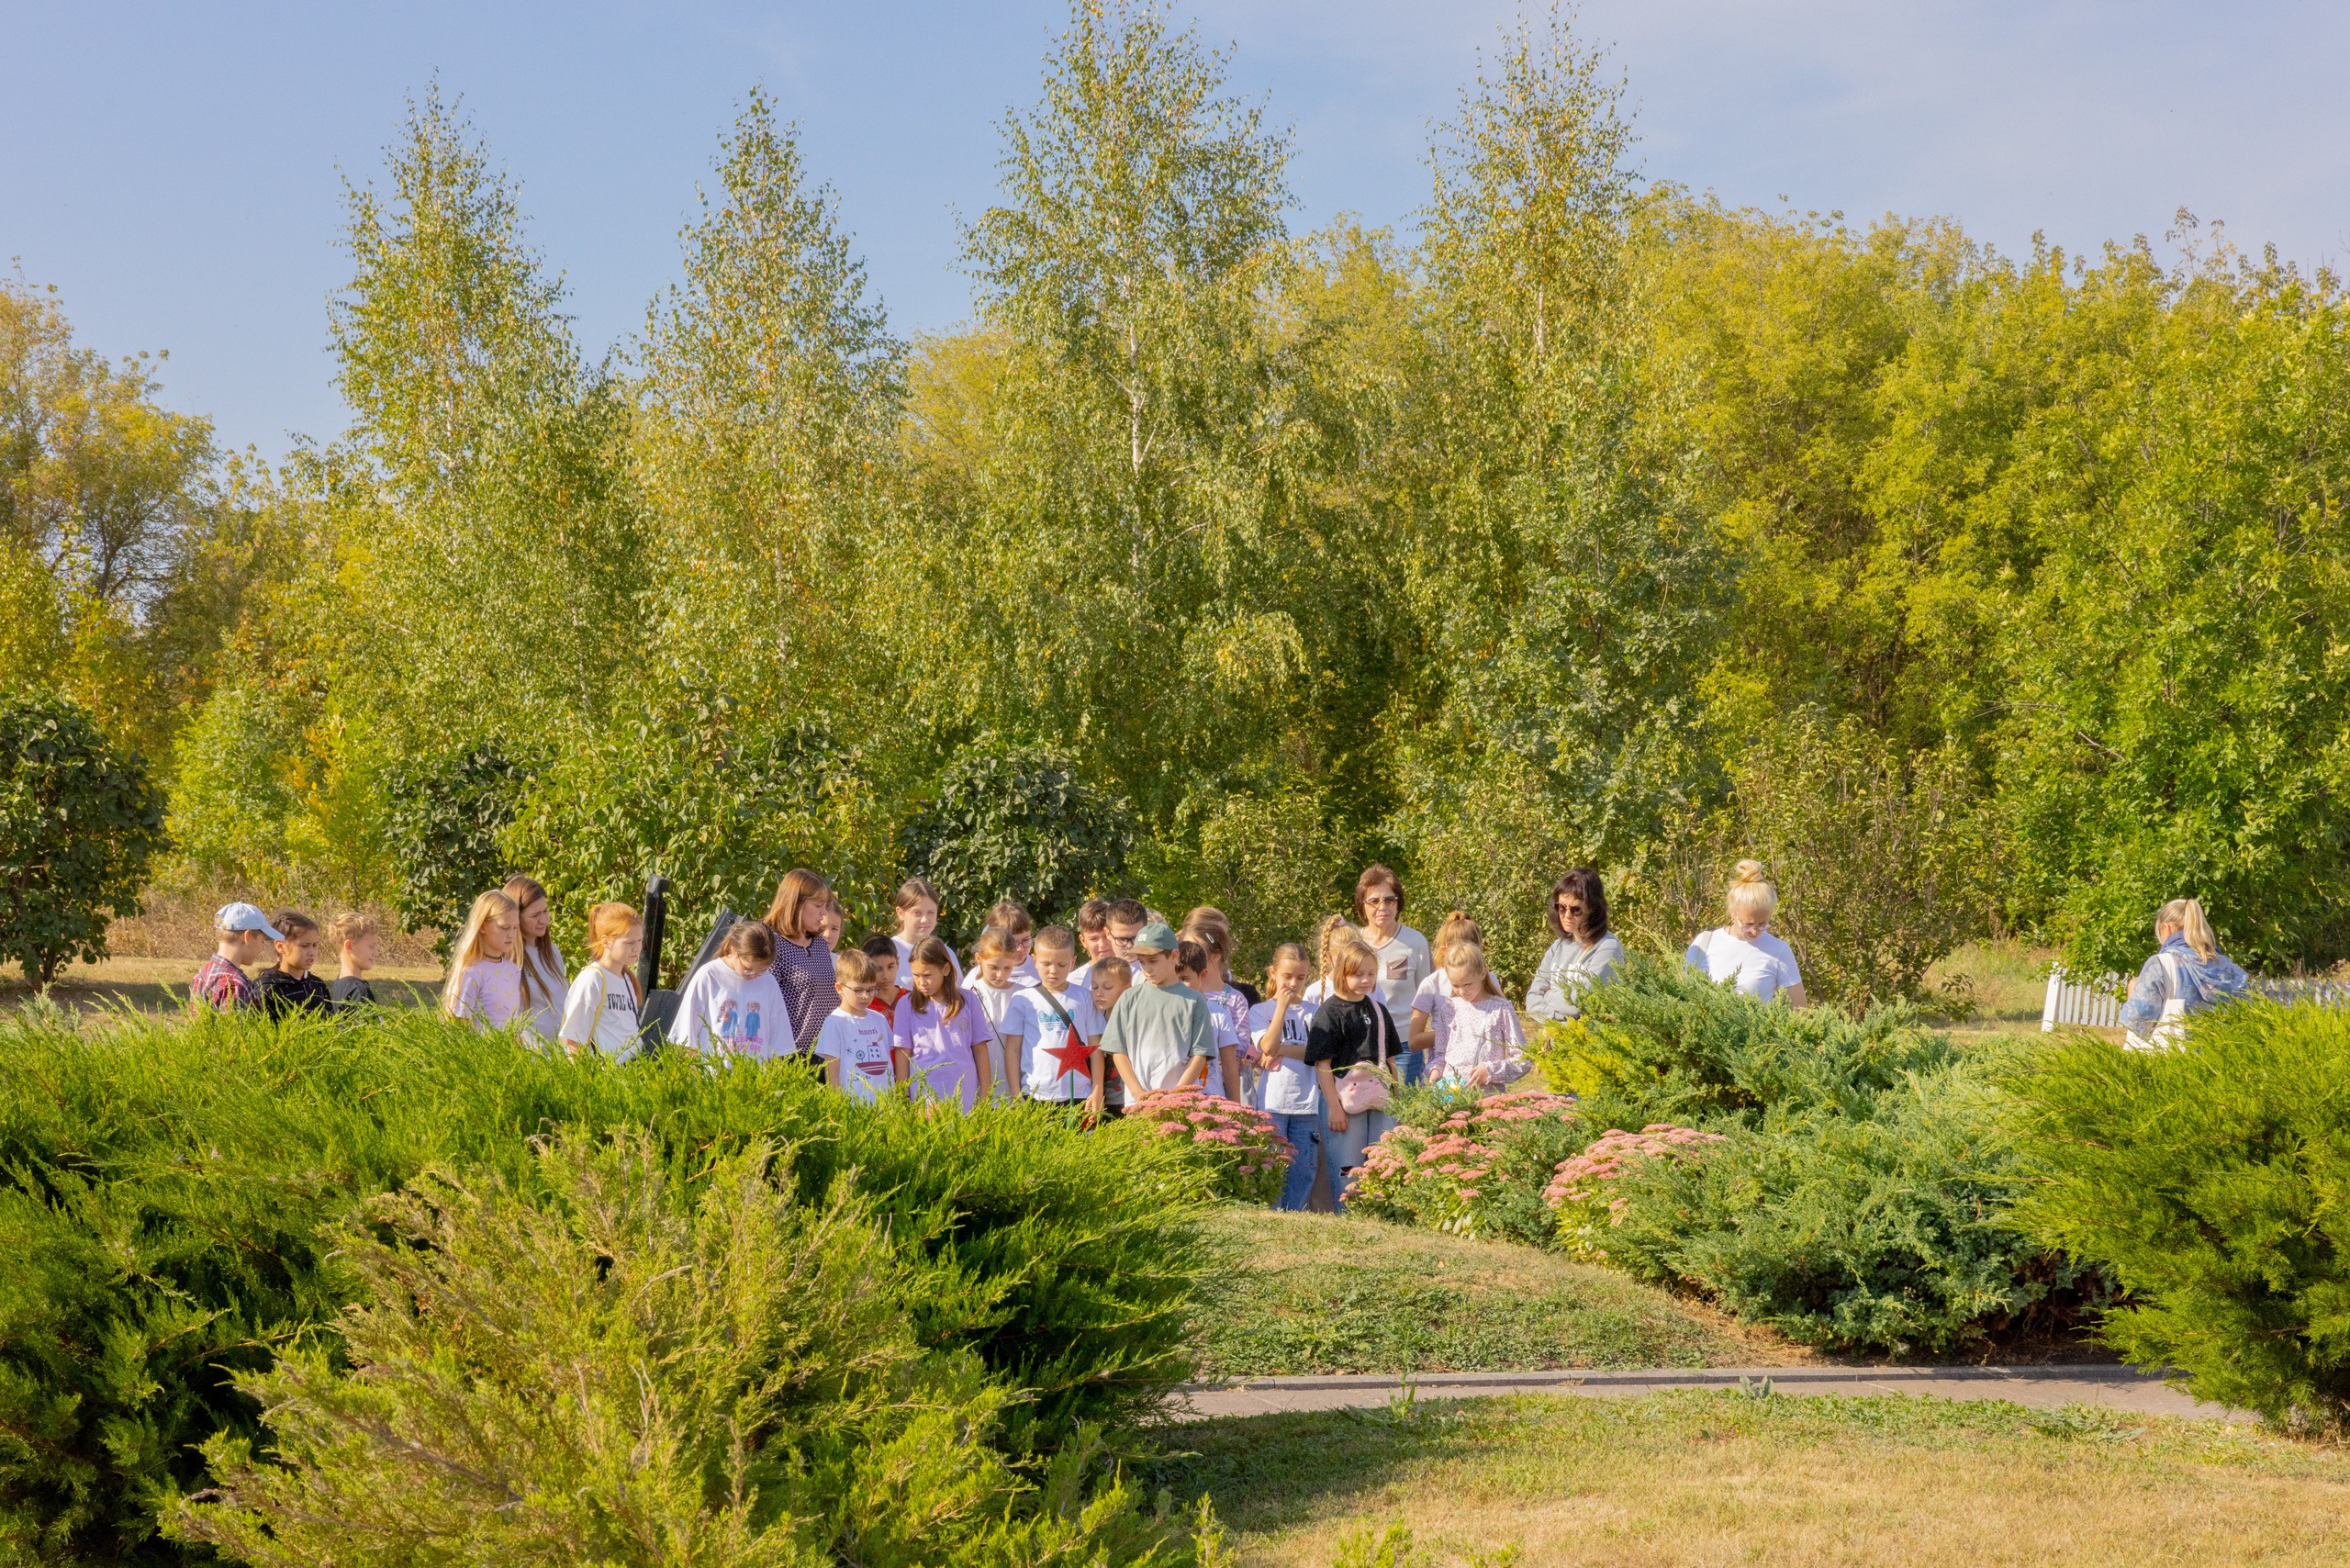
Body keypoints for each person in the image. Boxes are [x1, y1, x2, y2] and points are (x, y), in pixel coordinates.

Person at [1305, 931, 1401, 1212]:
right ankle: (1349, 1217)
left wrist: (1397, 1099)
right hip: (1344, 1105)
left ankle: (1377, 1217)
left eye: (1371, 974)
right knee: (1348, 1169)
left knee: (1381, 1164)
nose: (1366, 981)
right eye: (1358, 974)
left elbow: (1391, 1060)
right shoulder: (1329, 1012)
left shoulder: (1379, 1010)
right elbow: (1323, 1066)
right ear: (1342, 973)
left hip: (1381, 1101)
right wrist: (1334, 1108)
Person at [1101, 922, 1215, 1100]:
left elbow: (1200, 1054)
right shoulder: (1128, 998)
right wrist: (1138, 1093)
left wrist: (1177, 1095)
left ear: (1174, 956)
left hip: (1179, 1105)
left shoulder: (1194, 1000)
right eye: (1142, 962)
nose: (1146, 968)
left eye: (1153, 961)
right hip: (1137, 1104)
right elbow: (1118, 1051)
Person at [2119, 896, 2249, 1050]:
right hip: (2221, 1062)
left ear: (2166, 928)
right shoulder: (2231, 969)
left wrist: (2132, 991)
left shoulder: (2160, 965)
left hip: (2176, 1065)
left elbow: (2139, 1023)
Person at [1251, 942, 1322, 1212]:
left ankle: (1294, 1216)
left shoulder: (1315, 1013)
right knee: (1273, 1165)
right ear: (1273, 973)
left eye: (1301, 978)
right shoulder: (1261, 1011)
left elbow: (1316, 1054)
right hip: (1272, 1104)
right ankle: (1273, 1217)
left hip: (1308, 1104)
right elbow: (1266, 1046)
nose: (1294, 983)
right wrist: (1281, 1007)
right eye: (1287, 976)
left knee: (1303, 1169)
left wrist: (1281, 1050)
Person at [1684, 861, 1807, 1007]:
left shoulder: (1779, 950)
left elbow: (1800, 1011)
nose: (1755, 931)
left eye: (1762, 924)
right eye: (1748, 924)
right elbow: (1683, 998)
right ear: (1732, 913)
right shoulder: (1704, 943)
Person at [1353, 867, 1432, 1084]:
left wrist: (1415, 1037)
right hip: (1358, 1046)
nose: (1382, 907)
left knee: (1404, 1112)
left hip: (1403, 1047)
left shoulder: (1415, 942)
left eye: (1390, 900)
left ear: (1398, 903)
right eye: (1374, 901)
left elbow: (1427, 998)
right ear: (1362, 904)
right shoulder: (1351, 943)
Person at [894, 935, 993, 1108]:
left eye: (927, 975)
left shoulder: (969, 1000)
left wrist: (985, 1096)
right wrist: (903, 1097)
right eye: (916, 975)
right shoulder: (906, 1004)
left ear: (945, 969)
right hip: (924, 1095)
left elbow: (980, 1050)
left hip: (965, 1094)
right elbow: (903, 1053)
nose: (921, 982)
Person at [670, 920, 791, 1059]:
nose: (754, 976)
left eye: (762, 971)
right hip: (712, 1075)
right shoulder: (709, 975)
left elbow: (778, 1043)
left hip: (756, 1077)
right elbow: (686, 1035)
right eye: (748, 969)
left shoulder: (768, 982)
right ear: (734, 950)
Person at [1022, 925, 1106, 1118]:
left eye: (1061, 965)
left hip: (1079, 1094)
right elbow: (1012, 1049)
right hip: (1035, 1095)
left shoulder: (1085, 997)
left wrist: (1097, 1089)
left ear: (1073, 962)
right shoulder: (1023, 999)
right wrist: (1015, 1093)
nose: (1053, 971)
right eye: (1046, 964)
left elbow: (1095, 1045)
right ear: (1034, 960)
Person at [1422, 941, 1530, 1092]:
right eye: (1455, 985)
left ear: (1483, 972)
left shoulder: (1500, 1009)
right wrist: (1435, 1070)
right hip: (1450, 1098)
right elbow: (1441, 1055)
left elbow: (1523, 1060)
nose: (1462, 991)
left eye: (1467, 984)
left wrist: (1490, 1071)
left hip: (1487, 1100)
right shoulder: (1449, 1007)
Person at [1526, 868, 1628, 1024]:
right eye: (1561, 907)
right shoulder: (1557, 946)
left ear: (1592, 909)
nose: (1567, 915)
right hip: (1555, 1042)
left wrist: (1548, 995)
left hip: (1590, 1043)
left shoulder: (1607, 947)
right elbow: (1532, 1001)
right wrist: (1563, 1018)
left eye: (1576, 909)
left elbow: (1581, 1002)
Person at [765, 868, 839, 1056]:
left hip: (828, 1052)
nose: (824, 913)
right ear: (796, 904)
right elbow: (765, 1004)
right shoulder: (771, 944)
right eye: (818, 906)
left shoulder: (820, 944)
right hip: (789, 1056)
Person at [1181, 913, 1255, 1099]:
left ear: (1215, 955)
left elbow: (1243, 1048)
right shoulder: (1177, 996)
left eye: (1197, 950)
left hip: (1222, 1087)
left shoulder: (1234, 999)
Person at [559, 902, 644, 1060]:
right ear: (606, 942)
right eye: (629, 942)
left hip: (632, 1072)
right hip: (606, 1073)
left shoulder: (626, 979)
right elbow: (574, 1039)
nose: (637, 948)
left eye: (639, 940)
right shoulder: (593, 978)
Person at [815, 948, 901, 1100]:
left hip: (884, 1107)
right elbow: (831, 1073)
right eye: (858, 990)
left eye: (871, 990)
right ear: (840, 988)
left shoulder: (880, 1020)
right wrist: (836, 1107)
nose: (866, 996)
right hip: (852, 1108)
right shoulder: (835, 1023)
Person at [965, 927, 1034, 1102]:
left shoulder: (1024, 995)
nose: (1000, 974)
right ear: (979, 959)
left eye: (1007, 968)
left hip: (1017, 1089)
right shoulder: (968, 994)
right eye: (993, 967)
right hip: (978, 1090)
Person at [442, 890, 525, 1027]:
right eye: (505, 927)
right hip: (480, 1048)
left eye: (515, 928)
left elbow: (512, 1022)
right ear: (482, 926)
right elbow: (461, 1026)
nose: (511, 935)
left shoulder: (513, 971)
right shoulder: (472, 973)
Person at [1174, 939, 1244, 1100]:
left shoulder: (1219, 1015)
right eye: (1175, 980)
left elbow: (1229, 1065)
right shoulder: (1164, 1014)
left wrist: (1236, 1106)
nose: (1179, 986)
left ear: (1202, 975)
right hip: (1174, 1099)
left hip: (1211, 1099)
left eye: (1185, 979)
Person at [503, 875, 567, 1042]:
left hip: (563, 1052)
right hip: (531, 1057)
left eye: (545, 911)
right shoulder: (506, 959)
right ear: (515, 917)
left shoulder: (552, 952)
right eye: (535, 915)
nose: (545, 920)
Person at [1408, 910, 1483, 1044]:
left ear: (1480, 950)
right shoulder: (1432, 983)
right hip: (1443, 1061)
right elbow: (1414, 1041)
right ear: (1445, 950)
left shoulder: (1488, 978)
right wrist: (1455, 1033)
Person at [192, 902, 279, 1013]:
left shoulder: (201, 975)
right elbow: (237, 1029)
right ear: (247, 936)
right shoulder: (235, 985)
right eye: (262, 941)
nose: (261, 949)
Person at [257, 910, 332, 1019]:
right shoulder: (267, 988)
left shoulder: (318, 985)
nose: (311, 952)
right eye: (304, 946)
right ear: (280, 946)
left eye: (315, 945)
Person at [890, 878, 960, 987]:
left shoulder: (946, 953)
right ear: (900, 913)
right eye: (917, 913)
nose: (925, 919)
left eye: (931, 912)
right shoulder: (888, 952)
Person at [1087, 956, 1134, 1118]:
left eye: (1107, 987)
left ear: (1127, 989)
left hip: (1125, 1097)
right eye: (1094, 987)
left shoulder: (1130, 1018)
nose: (1099, 993)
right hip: (1101, 1096)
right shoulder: (1096, 1014)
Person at [326, 911, 380, 1009]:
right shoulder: (359, 991)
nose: (376, 953)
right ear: (349, 946)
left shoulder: (341, 983)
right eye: (371, 946)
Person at [981, 899, 1041, 987]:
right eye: (1013, 942)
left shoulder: (1041, 970)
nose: (1020, 949)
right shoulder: (980, 974)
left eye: (1026, 940)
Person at [1069, 898, 1113, 987]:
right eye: (1094, 939)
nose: (1102, 944)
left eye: (1106, 936)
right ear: (1083, 941)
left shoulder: (1137, 973)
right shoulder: (1074, 982)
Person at [859, 932, 904, 1017]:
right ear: (866, 969)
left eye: (890, 967)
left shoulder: (911, 999)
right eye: (878, 969)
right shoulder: (864, 1004)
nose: (886, 976)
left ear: (897, 963)